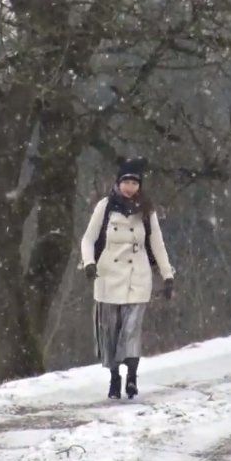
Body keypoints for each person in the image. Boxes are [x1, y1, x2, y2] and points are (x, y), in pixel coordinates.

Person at [81, 157, 175, 399]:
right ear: (118, 183)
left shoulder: (147, 210)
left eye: (134, 183)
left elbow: (157, 244)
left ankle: (132, 376)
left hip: (137, 277)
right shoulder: (105, 207)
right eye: (126, 182)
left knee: (131, 330)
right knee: (110, 333)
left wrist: (167, 275)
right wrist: (89, 263)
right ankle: (115, 377)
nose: (130, 187)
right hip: (107, 276)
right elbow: (88, 239)